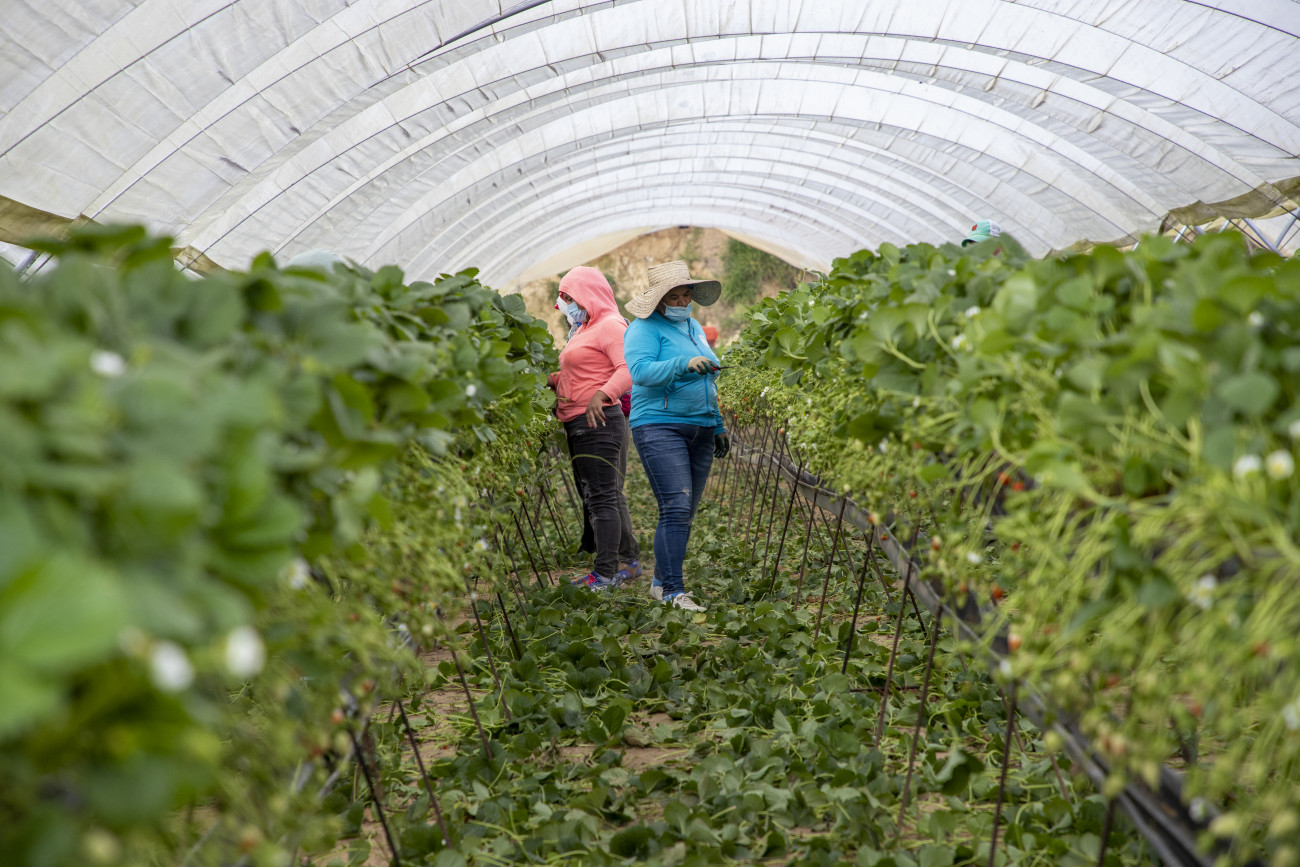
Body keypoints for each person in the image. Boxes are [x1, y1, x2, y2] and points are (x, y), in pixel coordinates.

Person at [623, 261, 730, 612]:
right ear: (658, 300)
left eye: (686, 295)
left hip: (701, 426)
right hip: (660, 424)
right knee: (676, 505)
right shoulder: (643, 328)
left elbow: (707, 380)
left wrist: (717, 425)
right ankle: (673, 591)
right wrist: (683, 364)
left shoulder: (693, 326)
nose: (682, 302)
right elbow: (640, 372)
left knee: (685, 511)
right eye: (674, 297)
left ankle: (660, 583)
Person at [547, 267, 640, 590]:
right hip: (578, 420)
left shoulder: (611, 325)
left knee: (602, 498)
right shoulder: (584, 329)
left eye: (569, 297)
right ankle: (606, 569)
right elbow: (580, 372)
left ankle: (605, 574)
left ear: (588, 293)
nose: (567, 304)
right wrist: (551, 381)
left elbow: (628, 369)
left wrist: (602, 394)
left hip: (598, 421)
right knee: (596, 496)